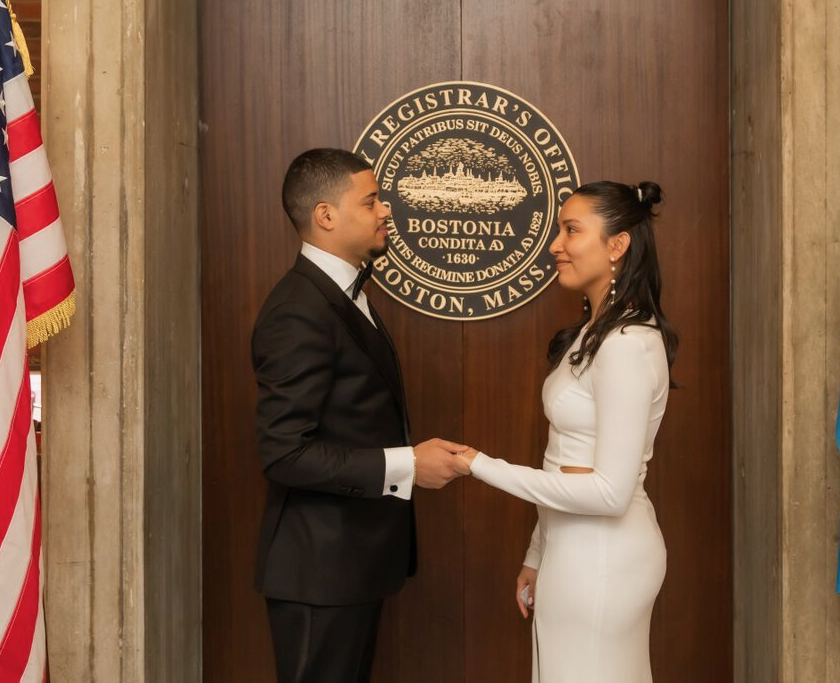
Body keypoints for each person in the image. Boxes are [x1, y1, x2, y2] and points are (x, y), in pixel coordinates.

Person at [252, 148, 469, 683]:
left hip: (346, 567)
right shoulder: (298, 309)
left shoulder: (341, 293)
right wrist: (407, 466)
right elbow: (284, 452)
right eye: (370, 201)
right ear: (325, 216)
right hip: (317, 573)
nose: (385, 211)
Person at [455, 180, 678, 683]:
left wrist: (479, 465)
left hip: (605, 559)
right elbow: (565, 457)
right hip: (571, 549)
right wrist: (539, 552)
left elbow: (608, 492)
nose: (555, 244)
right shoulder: (591, 333)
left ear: (617, 245)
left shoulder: (627, 344)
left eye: (571, 230)